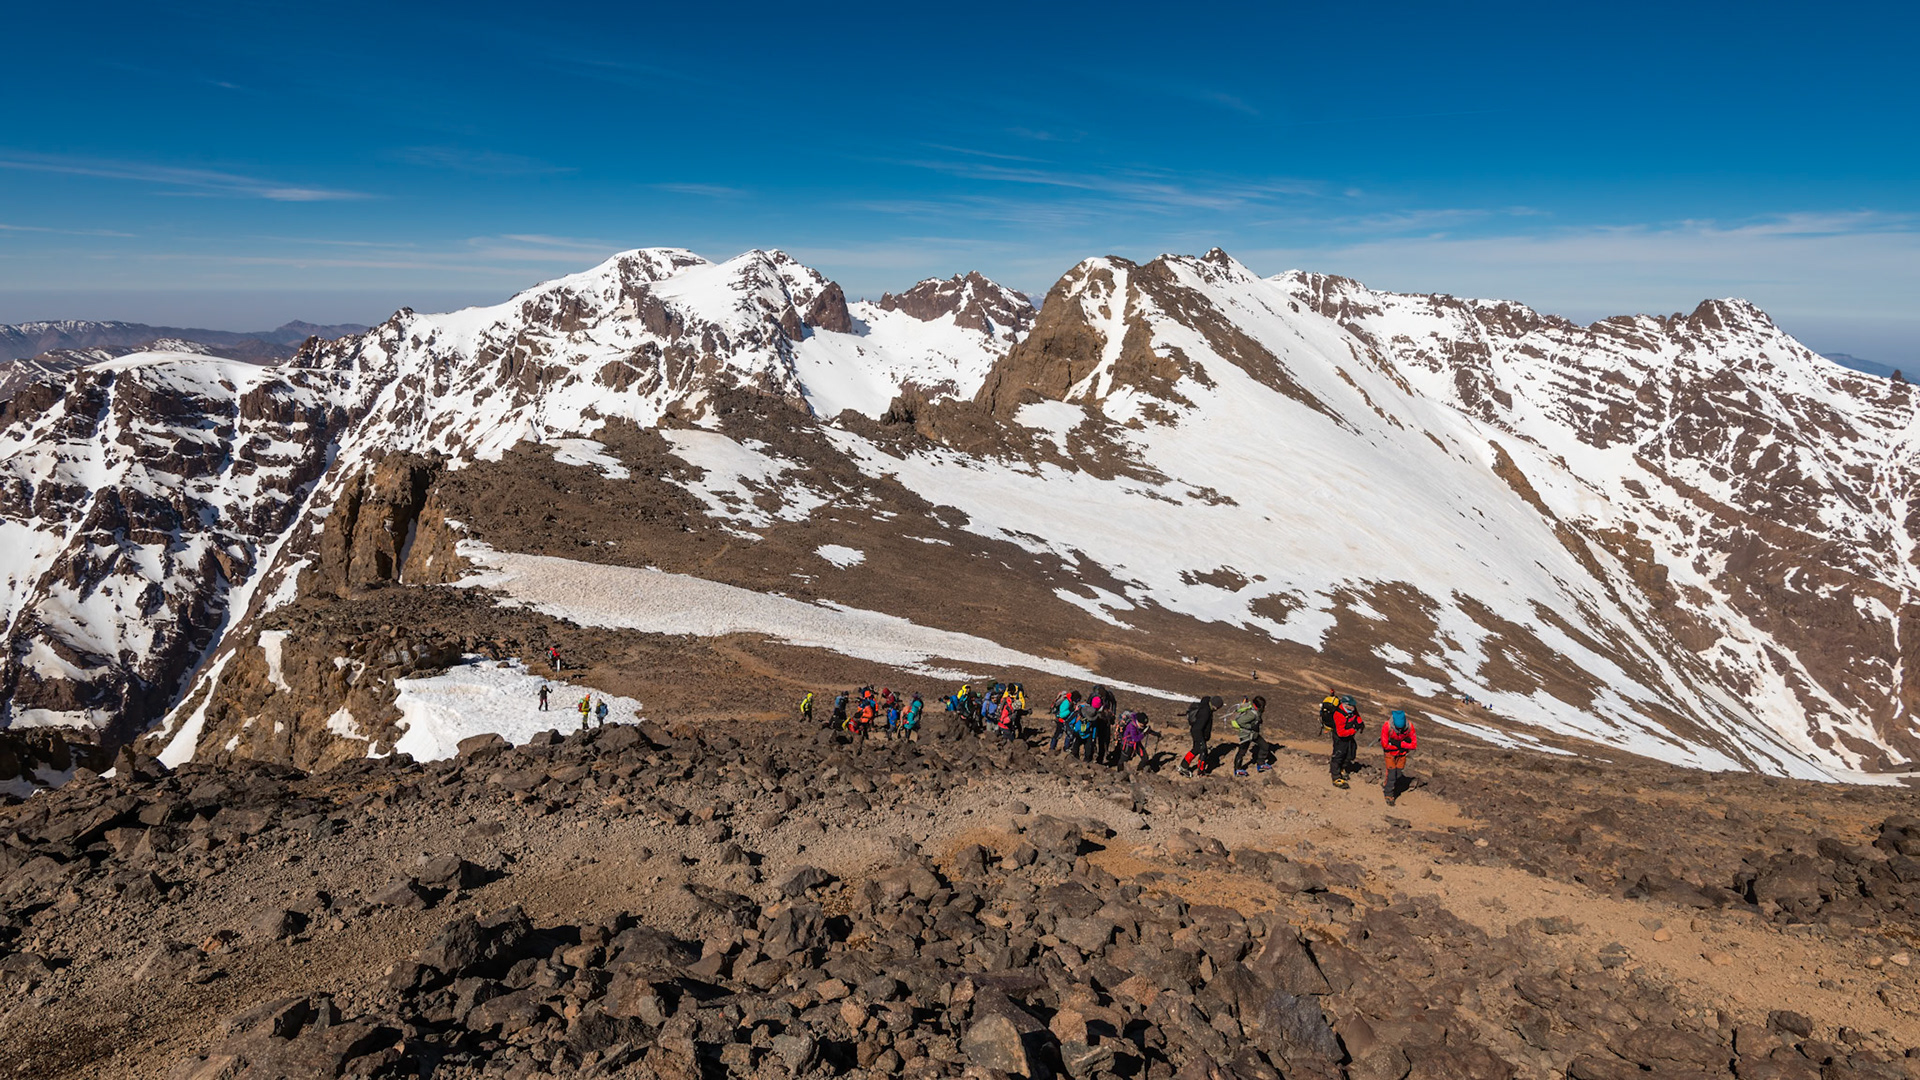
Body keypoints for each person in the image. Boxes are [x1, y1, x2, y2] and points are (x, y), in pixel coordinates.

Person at [1380, 709, 1416, 804]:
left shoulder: (1409, 727)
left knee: (1398, 774)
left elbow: (1413, 745)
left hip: (1402, 754)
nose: (1399, 730)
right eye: (1397, 728)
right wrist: (1402, 745)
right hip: (1390, 754)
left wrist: (1399, 744)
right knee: (1392, 774)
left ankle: (1387, 785)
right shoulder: (1387, 726)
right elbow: (1385, 745)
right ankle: (1389, 794)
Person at [1229, 695, 1269, 776]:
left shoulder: (1255, 710)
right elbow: (1240, 721)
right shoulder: (1251, 714)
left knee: (1265, 746)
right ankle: (1237, 770)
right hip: (1246, 735)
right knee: (1242, 752)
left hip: (1253, 734)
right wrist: (1250, 726)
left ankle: (1261, 764)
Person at [1330, 696, 1364, 788]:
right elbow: (1341, 733)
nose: (1353, 707)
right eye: (1351, 705)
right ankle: (1336, 777)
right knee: (1338, 755)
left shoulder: (1352, 710)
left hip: (1349, 736)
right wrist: (1354, 730)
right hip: (1340, 738)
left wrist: (1360, 724)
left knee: (1350, 752)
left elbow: (1357, 716)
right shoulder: (1338, 714)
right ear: (1345, 705)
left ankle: (1342, 768)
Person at [1180, 695, 1219, 775]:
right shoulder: (1206, 711)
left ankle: (1185, 767)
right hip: (1198, 733)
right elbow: (1198, 727)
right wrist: (1201, 739)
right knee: (1201, 750)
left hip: (1199, 732)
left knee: (1198, 749)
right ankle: (1198, 771)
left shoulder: (1206, 707)